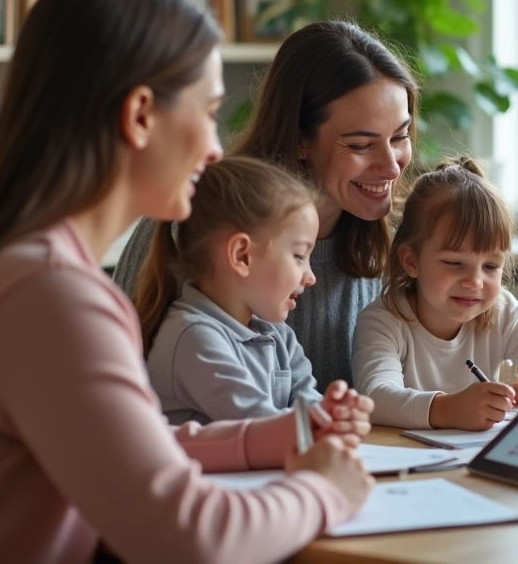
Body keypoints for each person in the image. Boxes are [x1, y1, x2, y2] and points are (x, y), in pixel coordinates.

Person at [0, 0, 373, 563]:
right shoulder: (48, 295)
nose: (213, 147)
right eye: (206, 113)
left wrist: (274, 437)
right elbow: (187, 538)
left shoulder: (12, 263)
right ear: (141, 114)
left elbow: (131, 450)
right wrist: (324, 489)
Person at [113, 19, 416, 387]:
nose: (391, 165)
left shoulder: (400, 244)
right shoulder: (192, 226)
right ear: (300, 140)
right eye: (360, 145)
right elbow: (112, 382)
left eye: (400, 136)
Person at [352, 158, 518, 430]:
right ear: (412, 261)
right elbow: (375, 398)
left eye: (491, 266)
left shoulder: (501, 311)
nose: (475, 282)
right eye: (454, 263)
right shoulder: (383, 322)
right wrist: (451, 409)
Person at [138, 157, 333, 425]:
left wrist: (336, 414)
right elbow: (259, 426)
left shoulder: (279, 336)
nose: (310, 277)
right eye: (299, 255)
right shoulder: (192, 337)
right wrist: (322, 424)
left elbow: (308, 401)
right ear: (242, 255)